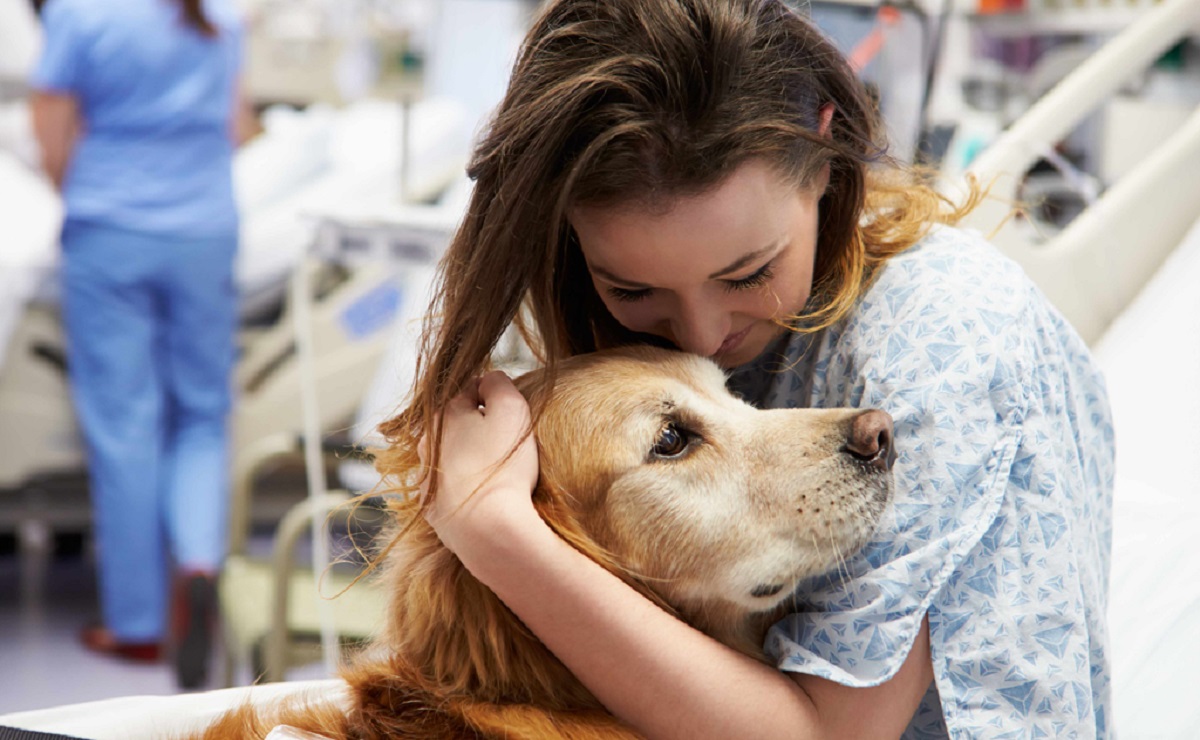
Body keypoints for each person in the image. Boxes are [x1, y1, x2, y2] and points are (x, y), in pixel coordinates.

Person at [382, 0, 1115, 737]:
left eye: (748, 273)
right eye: (633, 289)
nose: (700, 335)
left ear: (825, 157)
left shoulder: (946, 332)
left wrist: (494, 529)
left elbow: (825, 734)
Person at [29, 0, 247, 689]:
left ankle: (138, 627)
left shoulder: (81, 12)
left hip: (111, 228)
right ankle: (201, 566)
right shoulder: (221, 12)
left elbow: (51, 131)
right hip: (207, 231)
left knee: (126, 425)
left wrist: (85, 191)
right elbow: (236, 127)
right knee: (202, 416)